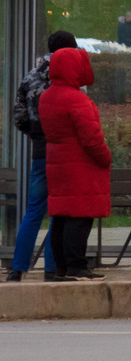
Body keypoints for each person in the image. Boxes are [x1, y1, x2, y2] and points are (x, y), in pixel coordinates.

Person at [6, 30, 77, 282]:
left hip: (40, 151)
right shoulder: (70, 78)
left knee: (34, 210)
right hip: (64, 152)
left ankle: (17, 269)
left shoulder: (29, 78)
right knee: (58, 211)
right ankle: (52, 269)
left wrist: (36, 136)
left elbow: (19, 117)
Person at [40, 47, 110, 281]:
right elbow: (91, 138)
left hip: (58, 164)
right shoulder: (77, 100)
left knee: (60, 216)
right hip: (80, 167)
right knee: (80, 216)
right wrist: (105, 157)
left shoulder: (47, 96)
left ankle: (61, 267)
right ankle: (76, 265)